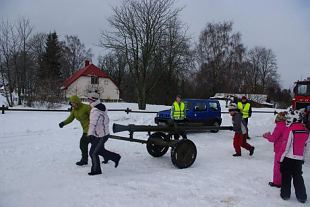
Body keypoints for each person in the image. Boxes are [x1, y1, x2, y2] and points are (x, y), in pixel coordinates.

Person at [87, 93, 121, 176]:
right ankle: (115, 157)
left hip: (100, 135)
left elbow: (92, 124)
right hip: (102, 134)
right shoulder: (101, 107)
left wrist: (90, 135)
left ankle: (96, 170)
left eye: (89, 99)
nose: (88, 101)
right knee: (100, 150)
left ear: (93, 100)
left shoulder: (95, 110)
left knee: (93, 153)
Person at [279, 110, 309, 203]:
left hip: (288, 158)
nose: (287, 121)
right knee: (298, 176)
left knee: (286, 176)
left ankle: (285, 194)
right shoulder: (306, 131)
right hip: (299, 159)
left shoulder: (290, 130)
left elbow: (286, 146)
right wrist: (303, 158)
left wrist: (281, 159)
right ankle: (302, 196)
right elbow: (307, 147)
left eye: (288, 119)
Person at [59, 95, 91, 166]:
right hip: (85, 129)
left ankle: (84, 160)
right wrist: (63, 123)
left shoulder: (86, 107)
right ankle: (108, 156)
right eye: (71, 103)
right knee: (96, 146)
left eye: (73, 103)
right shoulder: (74, 110)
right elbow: (70, 118)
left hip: (91, 129)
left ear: (77, 102)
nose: (72, 104)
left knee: (83, 144)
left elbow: (95, 117)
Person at [263, 112, 288, 188]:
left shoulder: (279, 127)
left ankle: (277, 182)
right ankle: (283, 181)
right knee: (284, 166)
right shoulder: (286, 126)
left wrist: (267, 136)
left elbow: (273, 139)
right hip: (285, 148)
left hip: (279, 149)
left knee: (277, 166)